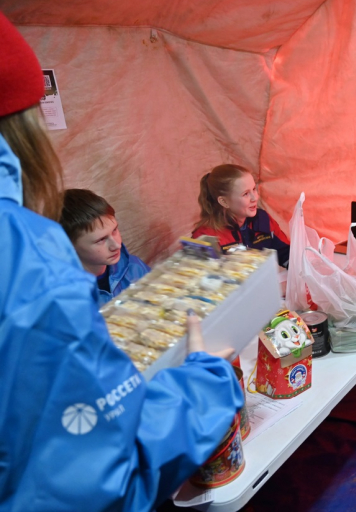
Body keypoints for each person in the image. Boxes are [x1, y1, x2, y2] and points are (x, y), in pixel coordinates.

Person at [0, 14, 243, 511]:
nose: (115, 246)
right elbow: (100, 466)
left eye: (117, 235)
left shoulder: (126, 267)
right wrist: (206, 381)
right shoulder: (30, 254)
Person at [59, 188, 150, 305]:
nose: (116, 245)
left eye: (115, 230)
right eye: (101, 240)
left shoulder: (134, 268)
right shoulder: (65, 298)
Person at [192, 164, 290, 266]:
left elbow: (285, 253)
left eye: (254, 189)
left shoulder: (263, 219)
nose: (255, 198)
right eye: (245, 194)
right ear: (224, 201)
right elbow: (199, 278)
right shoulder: (205, 238)